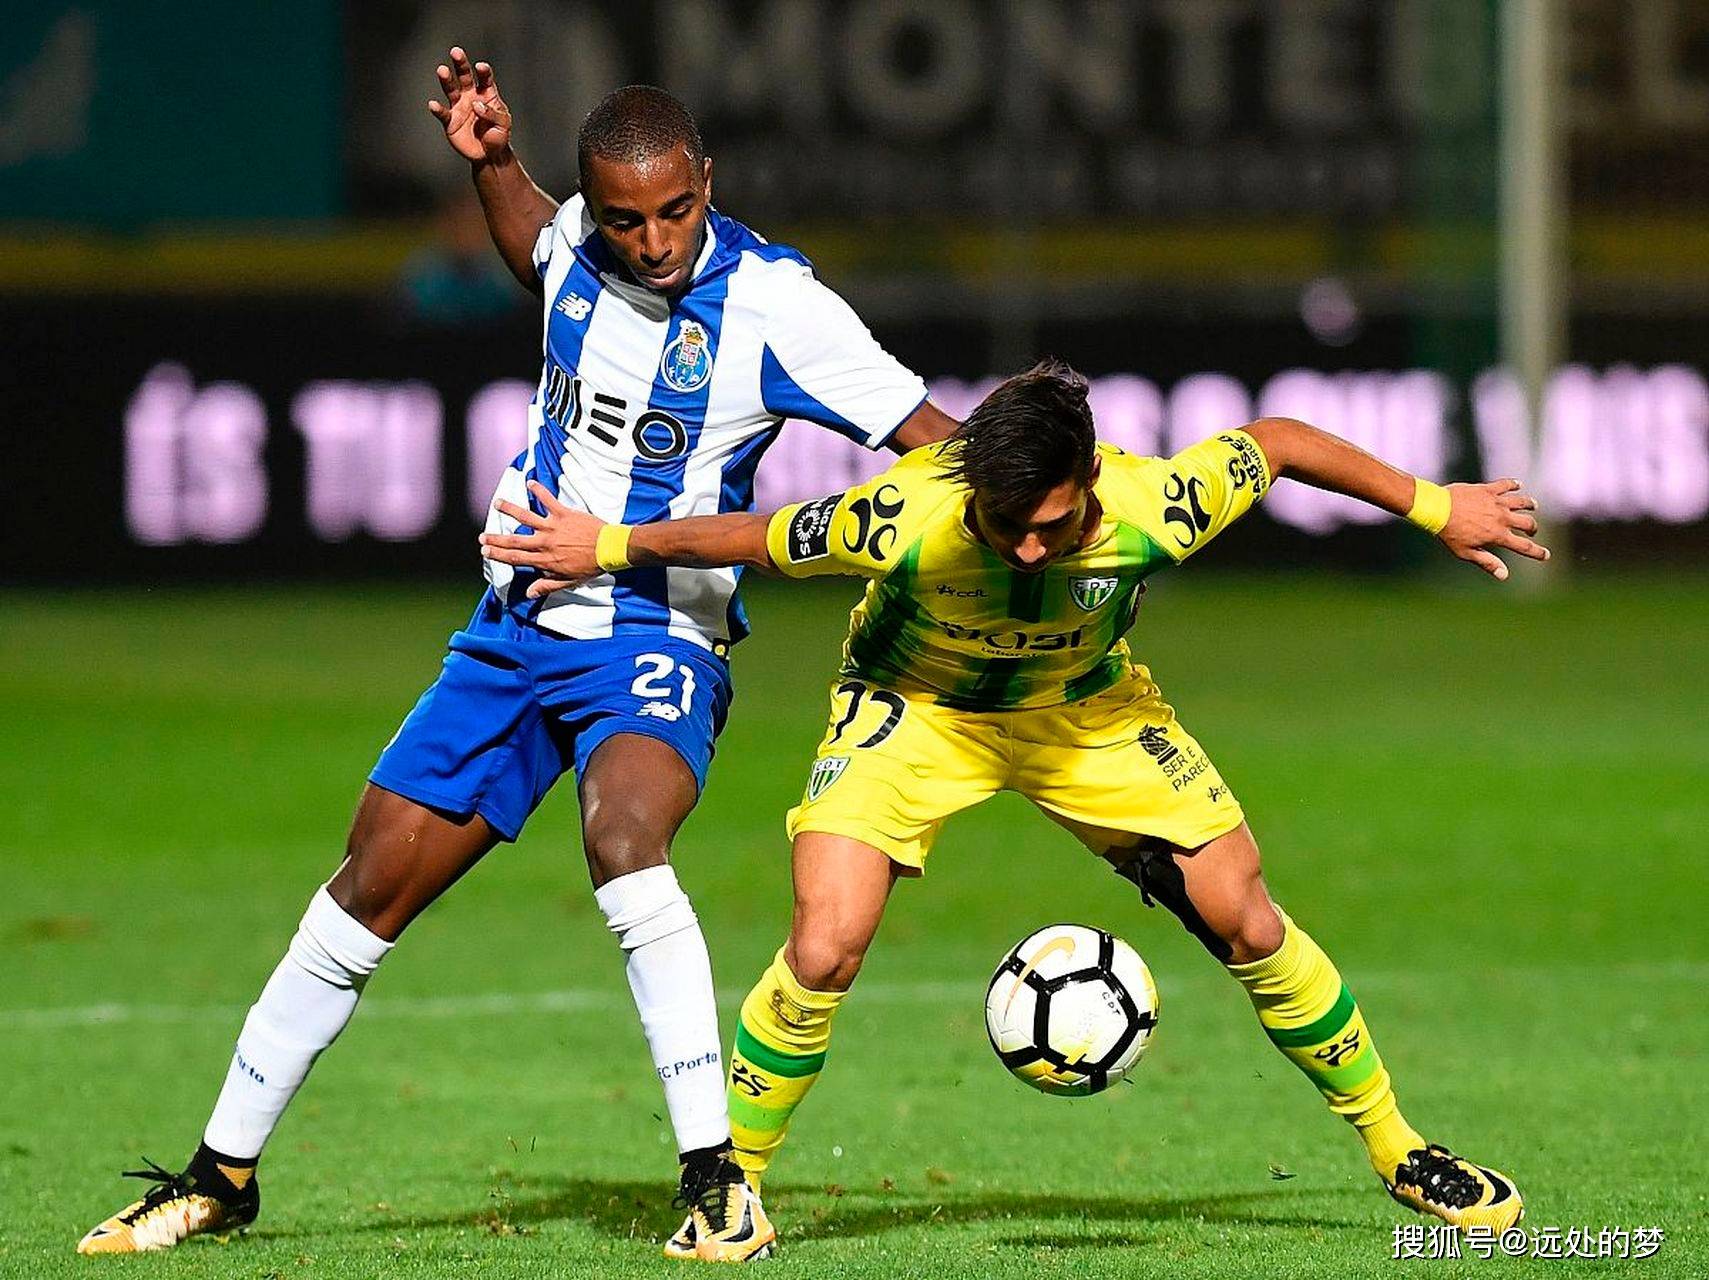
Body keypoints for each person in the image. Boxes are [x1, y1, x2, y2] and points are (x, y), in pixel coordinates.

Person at [77, 49, 955, 1263]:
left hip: (655, 631)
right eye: (625, 218)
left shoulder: (778, 306)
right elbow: (536, 245)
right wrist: (494, 164)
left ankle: (716, 1178)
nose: (651, 242)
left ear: (708, 179)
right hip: (510, 628)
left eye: (675, 211)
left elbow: (933, 441)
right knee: (365, 882)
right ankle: (220, 1175)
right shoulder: (578, 243)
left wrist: (1037, 504)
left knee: (622, 836)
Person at [478, 358, 1549, 1248]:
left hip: (1082, 713)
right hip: (911, 710)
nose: (1028, 546)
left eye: (1047, 523)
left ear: (1088, 475)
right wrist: (607, 545)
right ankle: (730, 1190)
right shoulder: (904, 514)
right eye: (1006, 527)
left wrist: (1434, 503)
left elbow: (1276, 441)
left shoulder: (1152, 504)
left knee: (1245, 914)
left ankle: (1401, 1148)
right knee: (824, 941)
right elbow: (758, 536)